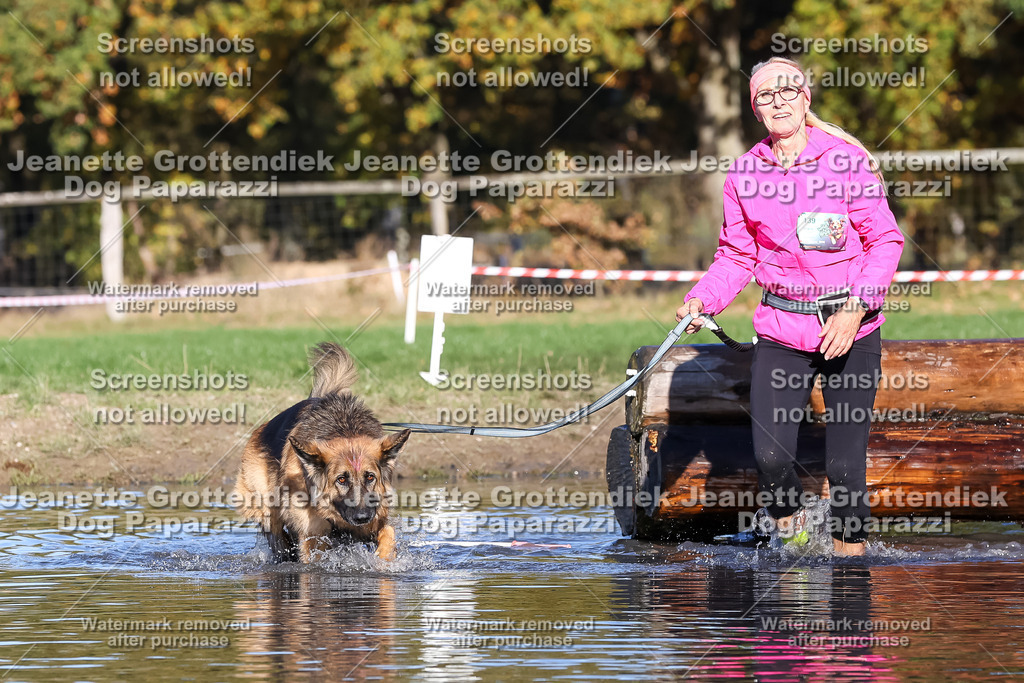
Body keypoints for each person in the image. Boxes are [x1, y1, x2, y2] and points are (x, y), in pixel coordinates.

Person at [675, 57, 904, 556]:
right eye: (765, 96)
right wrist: (703, 298)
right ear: (756, 109)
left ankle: (849, 583)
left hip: (852, 329)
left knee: (845, 472)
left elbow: (886, 241)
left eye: (787, 91)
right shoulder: (744, 173)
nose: (777, 101)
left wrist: (855, 308)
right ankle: (794, 541)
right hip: (781, 330)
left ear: (805, 98)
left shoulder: (844, 160)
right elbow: (736, 255)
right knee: (771, 458)